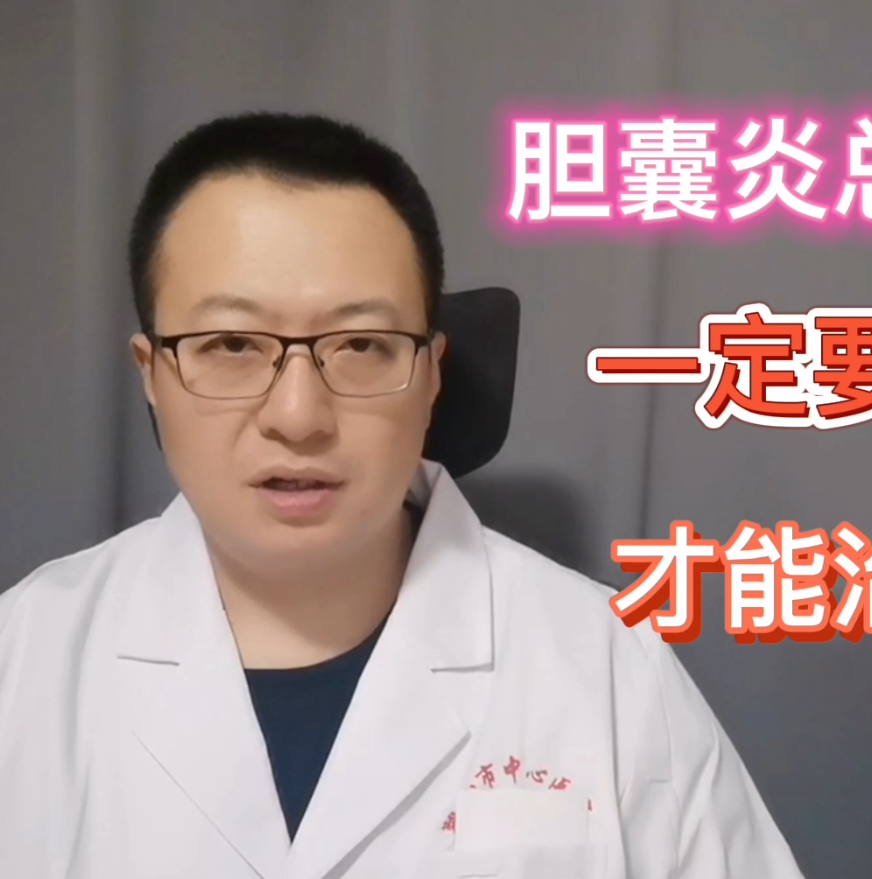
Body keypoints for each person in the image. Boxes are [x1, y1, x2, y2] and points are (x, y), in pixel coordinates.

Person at [0, 112, 805, 879]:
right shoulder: (25, 660)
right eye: (232, 343)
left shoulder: (607, 669)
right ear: (152, 374)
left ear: (431, 376)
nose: (298, 416)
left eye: (361, 344)